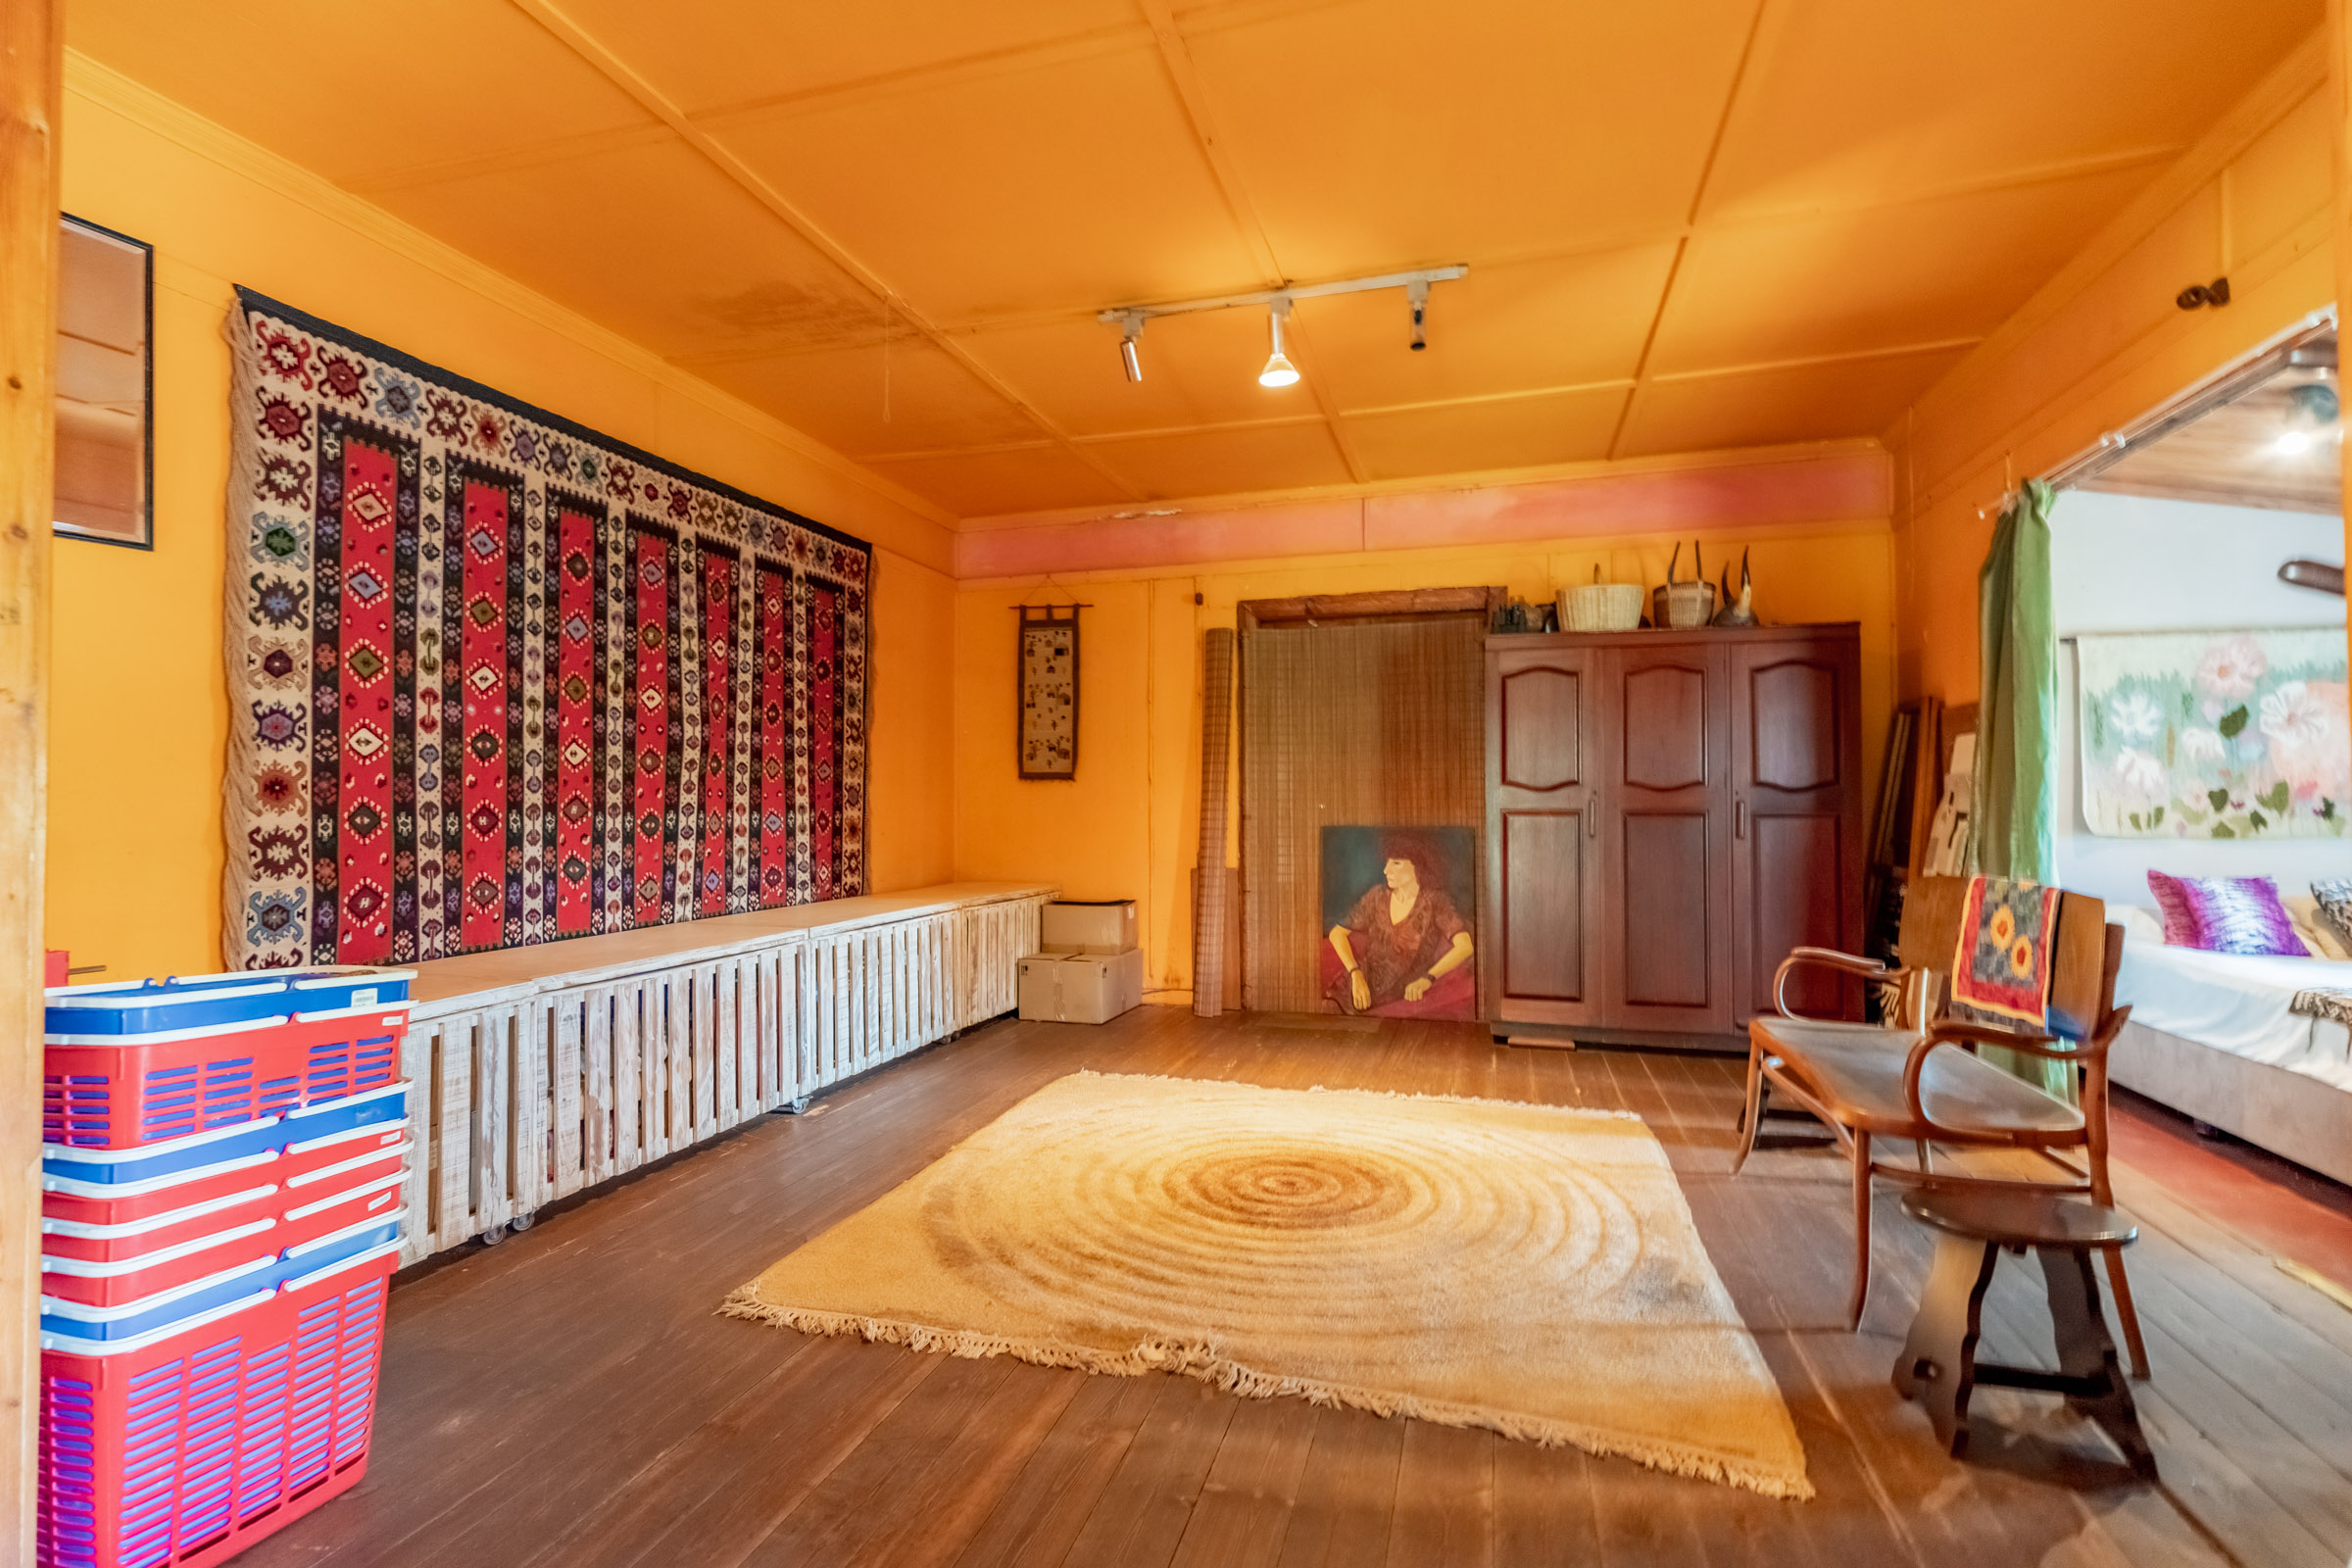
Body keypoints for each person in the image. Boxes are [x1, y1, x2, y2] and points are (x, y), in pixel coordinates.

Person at [1325, 839, 1474, 1015]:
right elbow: (1337, 934)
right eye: (1387, 862)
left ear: (1417, 867)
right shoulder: (1377, 897)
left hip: (1398, 998)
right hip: (1356, 988)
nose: (1386, 870)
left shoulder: (1435, 902)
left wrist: (1428, 978)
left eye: (1396, 863)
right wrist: (1355, 973)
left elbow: (1465, 946)